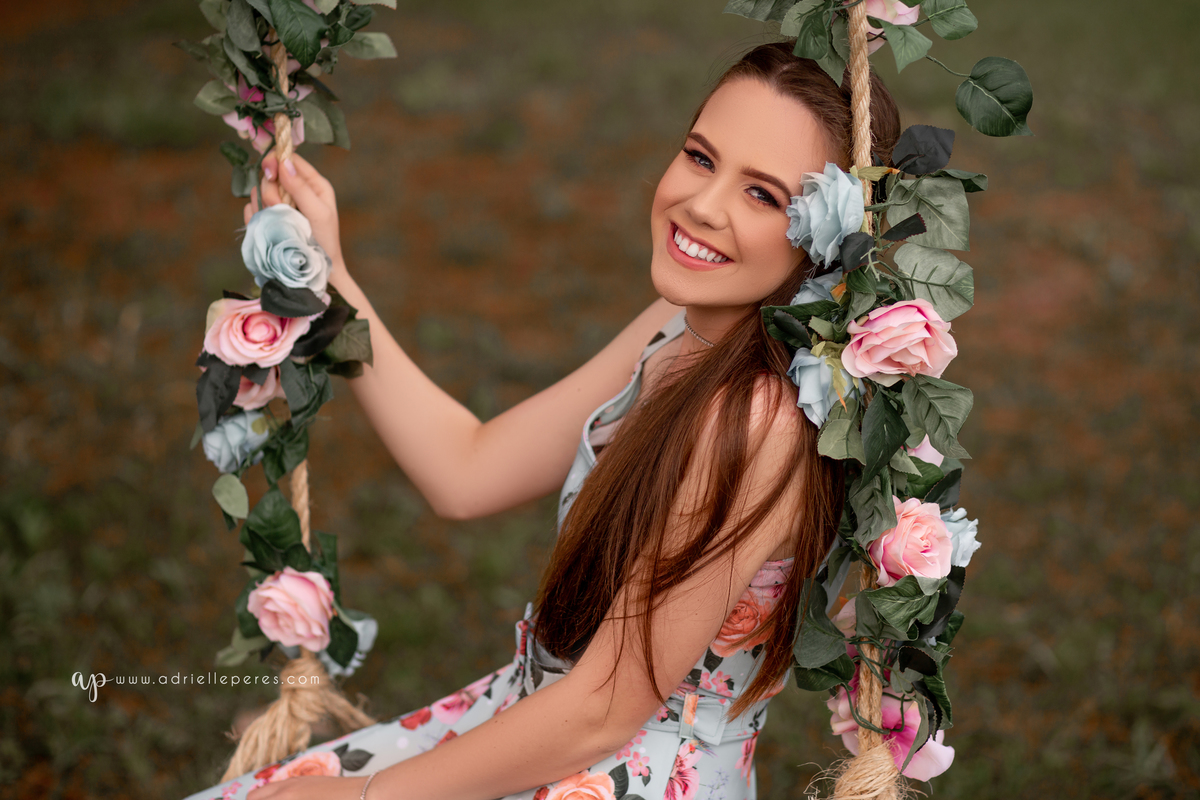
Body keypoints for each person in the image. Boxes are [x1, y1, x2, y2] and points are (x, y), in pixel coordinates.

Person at [184, 40, 900, 800]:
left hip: (620, 768)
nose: (703, 205)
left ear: (829, 245)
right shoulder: (683, 323)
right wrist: (329, 279)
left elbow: (608, 707)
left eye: (764, 195)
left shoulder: (757, 418)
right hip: (544, 722)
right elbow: (468, 468)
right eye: (699, 156)